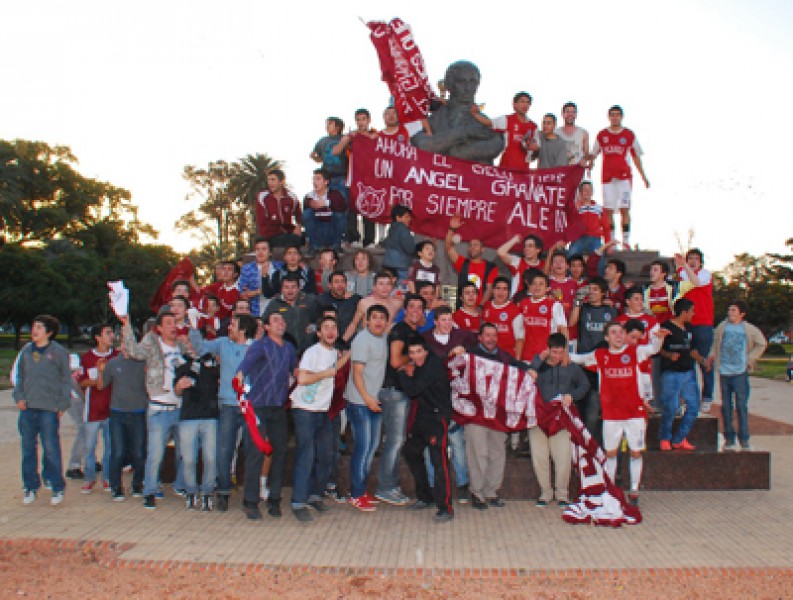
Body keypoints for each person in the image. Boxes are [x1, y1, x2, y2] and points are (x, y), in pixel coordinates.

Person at [570, 322, 668, 505]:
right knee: (611, 453)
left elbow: (653, 349)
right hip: (611, 414)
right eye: (613, 332)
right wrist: (561, 354)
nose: (618, 335)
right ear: (606, 338)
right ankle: (611, 489)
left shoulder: (634, 352)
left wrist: (659, 338)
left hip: (634, 413)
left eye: (621, 332)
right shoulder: (600, 355)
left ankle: (634, 491)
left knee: (636, 452)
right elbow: (581, 359)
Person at [120, 310, 192, 509]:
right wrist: (126, 325)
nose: (172, 326)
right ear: (159, 328)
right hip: (159, 407)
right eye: (168, 323)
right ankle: (150, 491)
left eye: (174, 322)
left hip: (181, 407)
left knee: (185, 451)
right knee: (156, 454)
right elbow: (134, 351)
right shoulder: (152, 344)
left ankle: (180, 484)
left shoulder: (182, 347)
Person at [189, 314, 257, 511]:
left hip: (249, 406)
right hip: (227, 405)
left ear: (243, 330)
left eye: (233, 325)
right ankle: (223, 491)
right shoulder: (223, 343)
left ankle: (250, 495)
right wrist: (194, 328)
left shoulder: (256, 348)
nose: (229, 328)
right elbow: (200, 347)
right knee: (224, 450)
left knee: (251, 450)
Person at [235, 312, 298, 520]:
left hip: (278, 408)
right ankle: (250, 501)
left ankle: (275, 498)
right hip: (258, 407)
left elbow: (295, 371)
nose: (281, 323)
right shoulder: (260, 346)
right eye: (275, 320)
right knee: (255, 453)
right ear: (267, 327)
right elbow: (244, 366)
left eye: (282, 320)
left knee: (280, 452)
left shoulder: (289, 348)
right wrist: (239, 378)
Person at [290, 316, 350, 522]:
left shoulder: (334, 353)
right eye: (326, 328)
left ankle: (315, 495)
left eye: (334, 327)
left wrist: (349, 354)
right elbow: (302, 378)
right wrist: (325, 374)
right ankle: (298, 502)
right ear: (319, 333)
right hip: (304, 409)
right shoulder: (312, 353)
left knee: (326, 455)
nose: (330, 331)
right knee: (306, 455)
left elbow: (336, 367)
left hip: (323, 410)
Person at [464, 323, 528, 509]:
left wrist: (533, 368)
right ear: (480, 337)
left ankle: (491, 491)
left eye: (494, 335)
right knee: (478, 453)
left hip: (497, 415)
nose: (491, 339)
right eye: (487, 335)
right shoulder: (470, 356)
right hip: (476, 414)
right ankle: (477, 492)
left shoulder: (503, 356)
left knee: (497, 452)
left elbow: (519, 367)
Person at [374, 294, 426, 506]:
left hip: (402, 392)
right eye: (411, 306)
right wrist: (413, 357)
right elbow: (395, 361)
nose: (415, 310)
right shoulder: (400, 330)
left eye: (419, 307)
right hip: (393, 391)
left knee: (396, 440)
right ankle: (386, 487)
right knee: (394, 441)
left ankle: (390, 485)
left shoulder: (413, 332)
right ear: (405, 309)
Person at [14, 315, 71, 506]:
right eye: (33, 326)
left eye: (39, 327)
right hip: (28, 408)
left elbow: (66, 379)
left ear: (49, 332)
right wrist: (19, 396)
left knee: (51, 448)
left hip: (48, 408)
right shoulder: (26, 351)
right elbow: (20, 376)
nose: (34, 330)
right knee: (28, 449)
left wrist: (62, 404)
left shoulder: (58, 352)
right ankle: (30, 486)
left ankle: (56, 485)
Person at [527, 333, 589, 507]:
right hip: (538, 417)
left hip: (561, 418)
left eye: (561, 352)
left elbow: (584, 385)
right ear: (548, 349)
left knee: (563, 456)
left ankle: (562, 494)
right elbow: (526, 376)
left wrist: (572, 396)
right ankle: (545, 493)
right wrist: (539, 361)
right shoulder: (538, 364)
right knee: (539, 456)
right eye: (554, 352)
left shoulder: (572, 367)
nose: (557, 356)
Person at [398, 336, 455, 522]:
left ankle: (445, 507)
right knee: (411, 451)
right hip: (423, 415)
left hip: (438, 418)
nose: (415, 356)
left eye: (419, 352)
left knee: (439, 461)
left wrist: (404, 374)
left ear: (426, 351)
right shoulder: (419, 366)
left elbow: (413, 390)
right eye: (412, 353)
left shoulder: (432, 366)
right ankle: (425, 496)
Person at [422, 306, 473, 502]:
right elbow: (426, 366)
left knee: (457, 443)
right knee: (432, 445)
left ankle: (462, 484)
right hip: (432, 400)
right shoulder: (426, 339)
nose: (447, 323)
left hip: (456, 400)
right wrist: (448, 356)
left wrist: (465, 352)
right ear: (435, 321)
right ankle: (432, 485)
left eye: (449, 319)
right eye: (443, 320)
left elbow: (480, 349)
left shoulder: (462, 336)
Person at [412, 60, 504, 164]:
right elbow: (423, 145)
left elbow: (495, 146)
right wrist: (466, 132)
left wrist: (451, 150)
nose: (468, 88)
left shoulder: (485, 123)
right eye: (461, 82)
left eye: (472, 82)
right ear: (449, 85)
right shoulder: (434, 119)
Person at [707, 301, 767, 451]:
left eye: (733, 310)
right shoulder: (722, 327)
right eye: (729, 310)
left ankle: (744, 439)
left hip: (740, 373)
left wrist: (750, 359)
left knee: (741, 406)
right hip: (724, 372)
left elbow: (761, 343)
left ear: (742, 313)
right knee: (726, 407)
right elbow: (715, 342)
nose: (730, 313)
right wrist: (712, 356)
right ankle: (729, 439)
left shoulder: (749, 329)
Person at [346, 305, 389, 511]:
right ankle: (355, 494)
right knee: (362, 449)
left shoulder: (384, 338)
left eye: (382, 318)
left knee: (371, 448)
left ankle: (361, 490)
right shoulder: (362, 339)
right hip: (360, 402)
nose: (378, 321)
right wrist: (366, 398)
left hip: (374, 401)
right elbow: (357, 373)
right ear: (367, 321)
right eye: (375, 317)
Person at [588, 105, 650, 248]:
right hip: (607, 178)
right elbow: (594, 153)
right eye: (612, 115)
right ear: (608, 117)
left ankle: (626, 241)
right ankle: (612, 241)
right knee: (608, 210)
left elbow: (636, 157)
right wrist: (587, 162)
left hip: (624, 178)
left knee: (624, 208)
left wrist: (644, 177)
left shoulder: (628, 135)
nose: (615, 117)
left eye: (617, 115)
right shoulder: (602, 135)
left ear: (621, 117)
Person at [568, 277, 619, 436]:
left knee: (594, 406)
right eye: (589, 289)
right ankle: (579, 439)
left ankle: (590, 440)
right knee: (580, 404)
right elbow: (571, 323)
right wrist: (578, 300)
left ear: (603, 293)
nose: (591, 292)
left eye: (595, 289)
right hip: (583, 364)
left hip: (602, 366)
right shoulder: (583, 308)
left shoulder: (611, 311)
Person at [658, 298, 709, 451]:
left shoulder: (689, 329)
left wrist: (702, 361)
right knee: (671, 407)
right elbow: (658, 349)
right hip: (671, 373)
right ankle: (665, 438)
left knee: (693, 406)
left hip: (688, 373)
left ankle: (679, 438)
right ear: (684, 312)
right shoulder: (666, 327)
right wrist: (669, 355)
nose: (693, 314)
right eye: (691, 311)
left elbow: (692, 350)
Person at [98, 345, 147, 501]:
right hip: (117, 413)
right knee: (117, 451)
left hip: (138, 412)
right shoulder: (113, 363)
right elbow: (101, 385)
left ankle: (137, 484)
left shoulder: (142, 362)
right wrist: (100, 371)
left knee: (139, 452)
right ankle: (116, 487)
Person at [175, 350, 220, 511]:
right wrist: (179, 386)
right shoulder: (182, 362)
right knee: (188, 459)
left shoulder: (212, 362)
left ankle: (207, 492)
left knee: (211, 458)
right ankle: (191, 491)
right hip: (189, 417)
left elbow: (220, 381)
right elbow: (177, 390)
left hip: (210, 417)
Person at [77, 324, 119, 494]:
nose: (111, 336)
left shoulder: (116, 356)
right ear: (98, 337)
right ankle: (89, 477)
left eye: (112, 332)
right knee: (89, 446)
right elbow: (82, 381)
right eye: (107, 333)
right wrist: (99, 380)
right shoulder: (87, 358)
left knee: (110, 447)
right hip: (92, 409)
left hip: (112, 409)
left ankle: (107, 478)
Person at [676, 248, 715, 413]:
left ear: (701, 262)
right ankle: (690, 398)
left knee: (704, 361)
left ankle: (707, 397)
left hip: (703, 323)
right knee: (688, 362)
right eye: (690, 258)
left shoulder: (705, 274)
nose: (692, 261)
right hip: (688, 323)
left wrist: (684, 266)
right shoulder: (682, 274)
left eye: (696, 259)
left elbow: (696, 282)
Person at [333, 108, 378, 248]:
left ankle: (369, 240)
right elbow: (335, 151)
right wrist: (345, 140)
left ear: (369, 120)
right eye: (358, 119)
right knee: (352, 208)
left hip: (370, 177)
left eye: (363, 119)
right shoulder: (351, 136)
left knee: (369, 207)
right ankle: (354, 238)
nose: (361, 122)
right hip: (354, 176)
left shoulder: (375, 135)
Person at [470, 91, 537, 170]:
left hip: (523, 171)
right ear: (515, 104)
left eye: (528, 103)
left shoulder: (533, 126)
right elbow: (489, 123)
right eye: (522, 102)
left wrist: (535, 149)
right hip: (506, 168)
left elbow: (536, 151)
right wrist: (475, 114)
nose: (525, 105)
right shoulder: (507, 120)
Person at [446, 215, 498, 307]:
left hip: (481, 309)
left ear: (483, 249)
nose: (472, 247)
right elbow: (449, 248)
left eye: (476, 245)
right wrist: (452, 229)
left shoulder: (491, 267)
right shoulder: (462, 263)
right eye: (470, 245)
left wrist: (480, 307)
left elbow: (489, 290)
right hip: (462, 308)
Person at [518, 271, 568, 364]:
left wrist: (565, 353)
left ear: (547, 288)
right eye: (534, 284)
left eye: (541, 284)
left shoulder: (554, 305)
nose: (537, 287)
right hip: (526, 356)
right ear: (529, 287)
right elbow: (519, 334)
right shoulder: (522, 304)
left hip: (547, 357)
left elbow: (563, 329)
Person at [263, 273, 319, 354]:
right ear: (281, 289)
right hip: (282, 350)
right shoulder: (274, 303)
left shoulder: (310, 300)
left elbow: (321, 319)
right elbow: (264, 323)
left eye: (293, 287)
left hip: (308, 350)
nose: (290, 291)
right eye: (286, 287)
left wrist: (314, 327)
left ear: (299, 288)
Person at [345, 271, 403, 339]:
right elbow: (354, 324)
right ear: (374, 287)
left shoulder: (397, 303)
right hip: (367, 340)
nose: (385, 287)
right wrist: (342, 341)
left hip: (386, 341)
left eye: (388, 284)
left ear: (392, 287)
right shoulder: (365, 303)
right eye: (381, 284)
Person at [255, 169, 303, 248]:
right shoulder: (263, 197)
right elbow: (262, 222)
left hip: (288, 232)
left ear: (281, 182)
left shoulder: (291, 197)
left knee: (304, 237)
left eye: (273, 180)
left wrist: (299, 226)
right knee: (292, 241)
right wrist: (281, 231)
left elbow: (299, 215)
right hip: (270, 235)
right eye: (269, 180)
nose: (270, 183)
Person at [302, 169, 346, 254]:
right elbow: (306, 219)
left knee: (340, 215)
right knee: (307, 214)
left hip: (331, 230)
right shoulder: (309, 197)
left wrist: (327, 203)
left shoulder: (336, 195)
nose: (315, 182)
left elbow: (342, 207)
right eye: (314, 179)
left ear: (326, 182)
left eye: (318, 179)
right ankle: (314, 246)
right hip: (318, 231)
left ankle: (336, 245)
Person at [310, 116, 349, 207]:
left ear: (338, 127)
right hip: (326, 177)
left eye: (330, 124)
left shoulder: (345, 138)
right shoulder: (322, 140)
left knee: (343, 201)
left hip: (342, 175)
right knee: (327, 201)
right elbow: (317, 157)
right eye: (326, 124)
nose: (327, 126)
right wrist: (316, 158)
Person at [238, 237, 282, 317]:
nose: (260, 252)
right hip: (255, 312)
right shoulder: (247, 269)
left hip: (277, 311)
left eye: (264, 249)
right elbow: (243, 294)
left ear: (270, 252)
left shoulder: (279, 267)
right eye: (257, 249)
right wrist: (262, 291)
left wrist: (254, 292)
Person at [481, 276, 524, 357]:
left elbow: (519, 338)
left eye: (504, 289)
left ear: (508, 292)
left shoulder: (515, 310)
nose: (501, 292)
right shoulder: (486, 306)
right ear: (493, 290)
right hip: (487, 356)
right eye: (498, 288)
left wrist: (517, 361)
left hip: (507, 356)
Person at [567, 181, 610, 258]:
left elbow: (606, 227)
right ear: (580, 193)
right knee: (571, 254)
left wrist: (608, 244)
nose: (587, 192)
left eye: (589, 190)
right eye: (585, 190)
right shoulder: (575, 207)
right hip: (578, 238)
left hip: (594, 238)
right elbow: (568, 224)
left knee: (600, 256)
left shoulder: (599, 208)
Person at [317, 271, 362, 345]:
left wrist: (342, 342)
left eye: (342, 282)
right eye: (336, 282)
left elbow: (355, 323)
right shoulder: (322, 300)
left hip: (350, 344)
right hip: (328, 343)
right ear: (329, 285)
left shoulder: (356, 300)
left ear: (346, 284)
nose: (340, 285)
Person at [382, 205, 415, 286]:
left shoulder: (391, 228)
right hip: (401, 265)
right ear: (398, 217)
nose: (409, 219)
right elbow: (410, 248)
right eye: (406, 217)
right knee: (401, 289)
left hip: (388, 264)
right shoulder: (403, 228)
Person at [555, 101, 589, 167]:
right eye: (567, 112)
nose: (570, 114)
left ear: (576, 114)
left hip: (577, 169)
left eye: (573, 112)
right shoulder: (555, 132)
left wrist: (584, 160)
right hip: (559, 169)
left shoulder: (583, 133)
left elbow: (586, 153)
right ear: (562, 114)